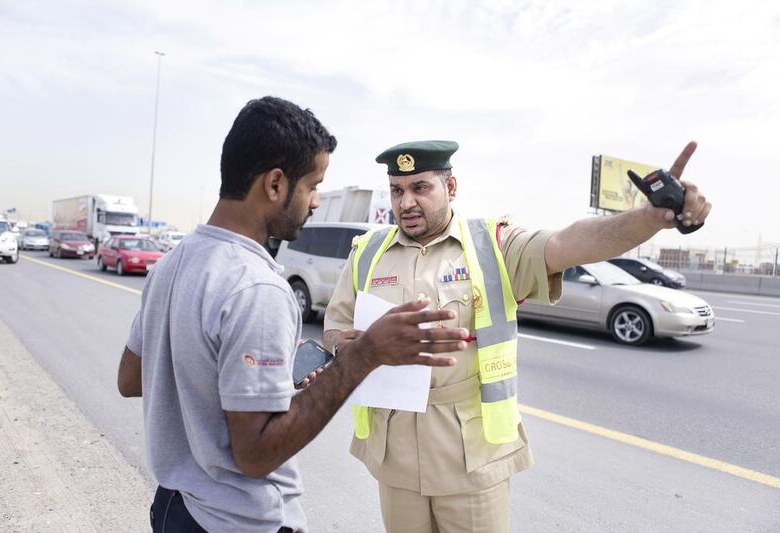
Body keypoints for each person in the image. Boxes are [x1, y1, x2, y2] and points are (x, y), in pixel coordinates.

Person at [116, 100, 470, 533]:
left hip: (175, 509)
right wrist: (364, 356)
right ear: (275, 184)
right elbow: (256, 455)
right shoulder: (258, 288)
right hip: (237, 521)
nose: (317, 201)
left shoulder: (171, 264)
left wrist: (264, 382)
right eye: (313, 185)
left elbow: (131, 378)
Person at [323, 139, 711, 532]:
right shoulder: (368, 252)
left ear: (451, 188)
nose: (406, 202)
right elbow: (335, 328)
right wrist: (343, 344)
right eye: (397, 190)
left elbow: (568, 243)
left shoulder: (493, 244)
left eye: (420, 188)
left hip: (471, 458)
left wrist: (647, 218)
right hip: (396, 457)